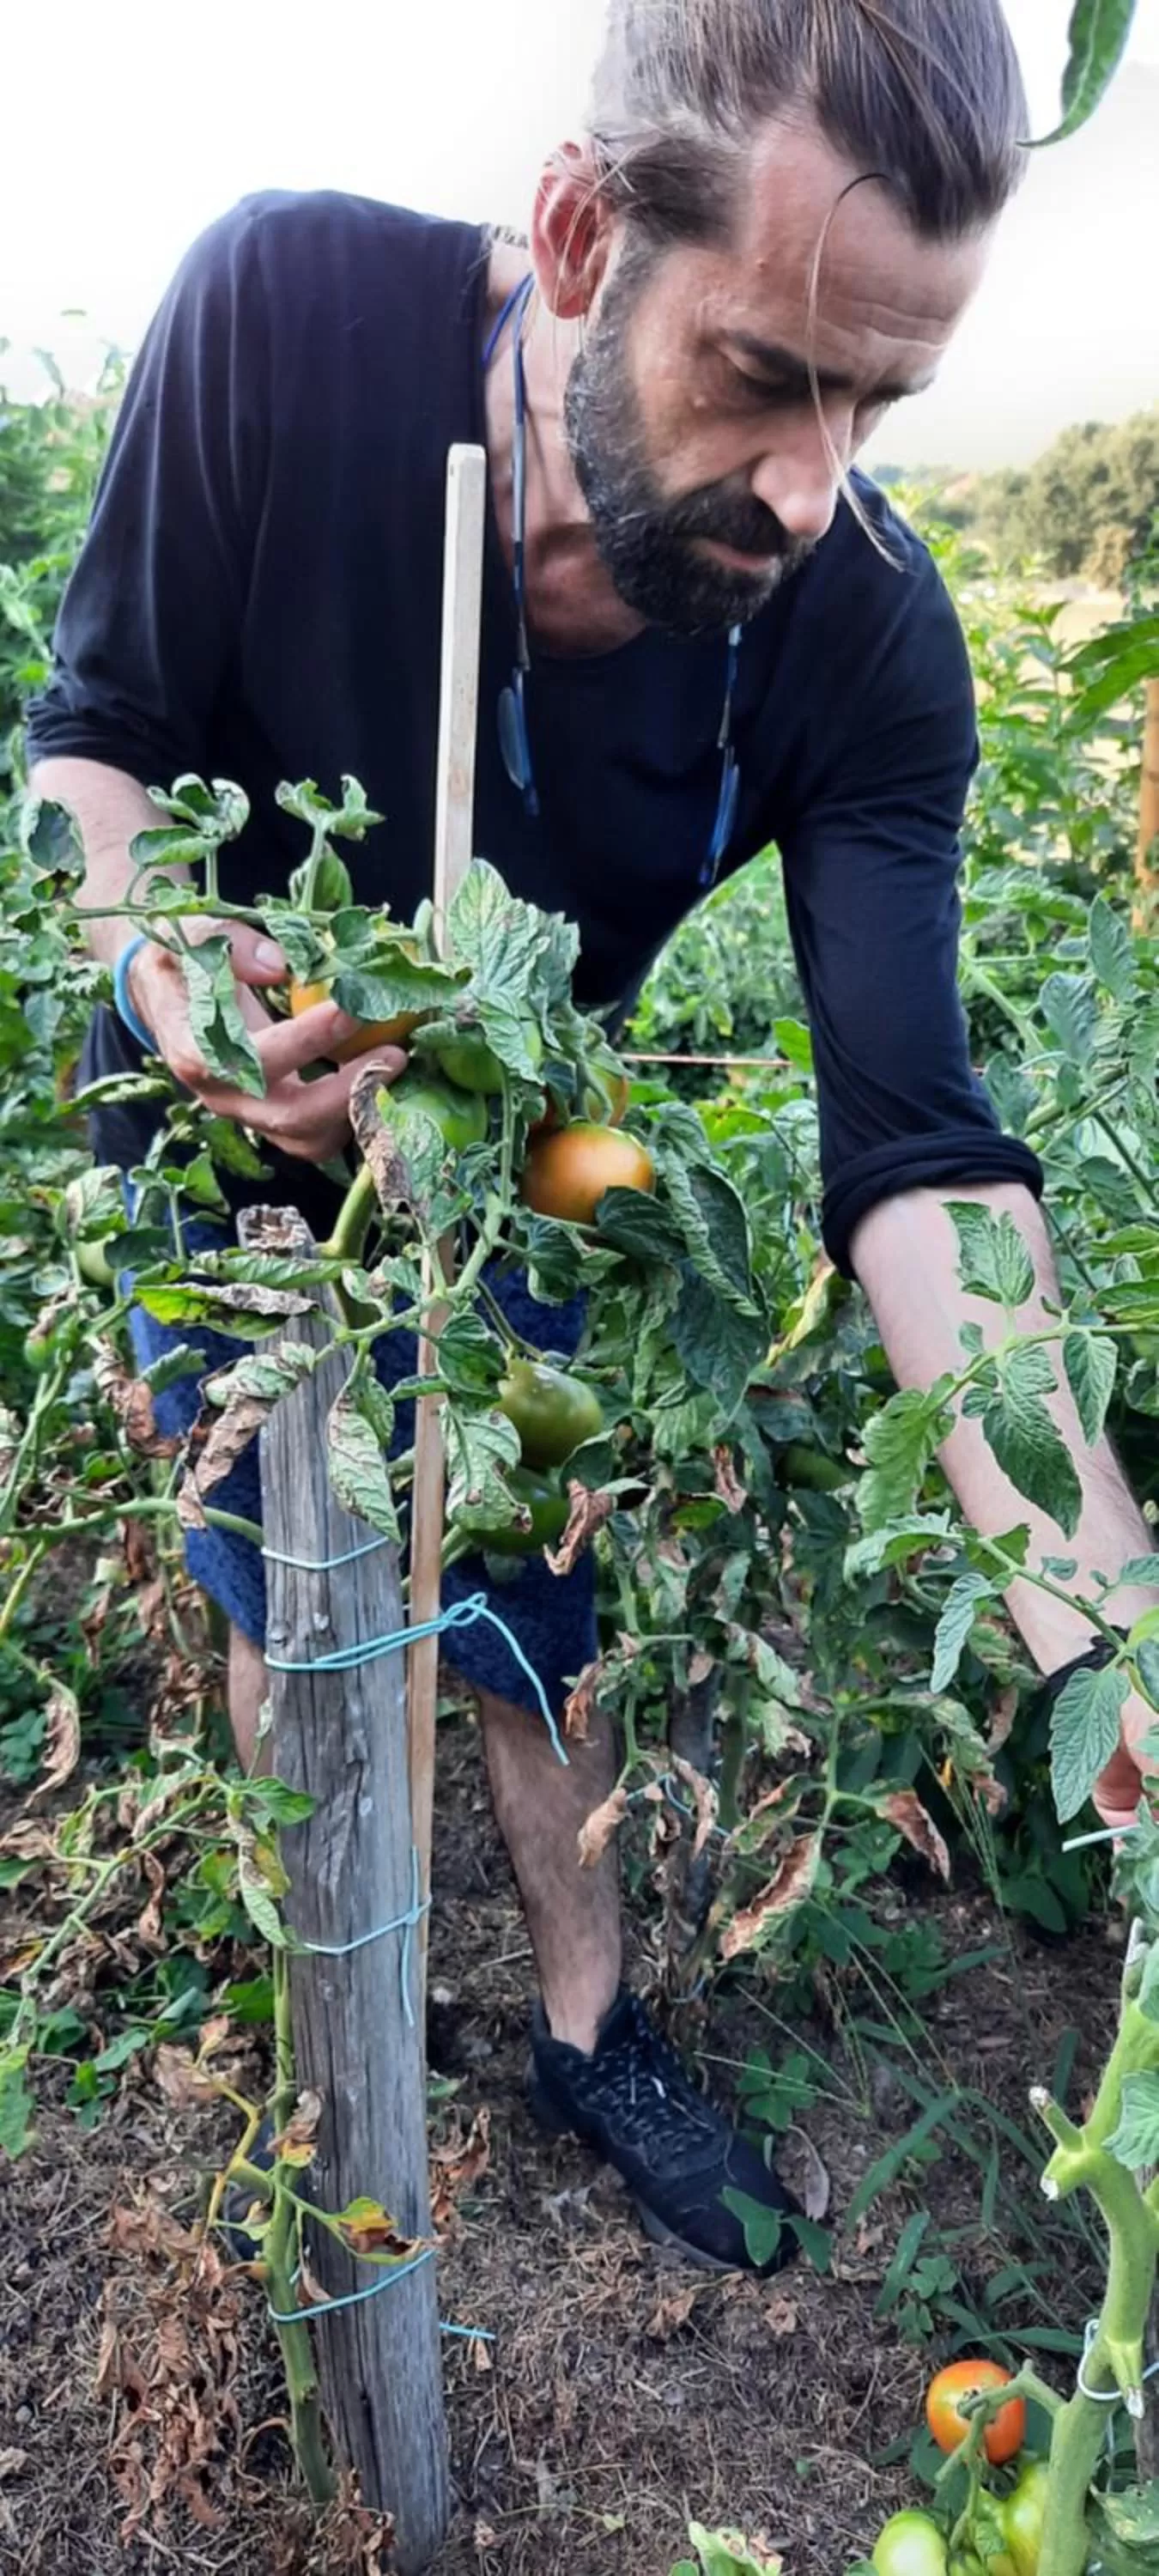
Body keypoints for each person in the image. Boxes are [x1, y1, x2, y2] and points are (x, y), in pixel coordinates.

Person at [28, 0, 1157, 2277]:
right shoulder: (283, 317)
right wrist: (177, 985)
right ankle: (335, 1988)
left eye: (879, 405)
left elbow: (924, 1161)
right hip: (219, 1123)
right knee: (287, 1580)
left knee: (541, 1592)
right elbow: (95, 748)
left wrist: (1104, 1627)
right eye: (765, 375)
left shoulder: (861, 635)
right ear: (573, 235)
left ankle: (585, 2022)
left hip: (503, 1147)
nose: (816, 487)